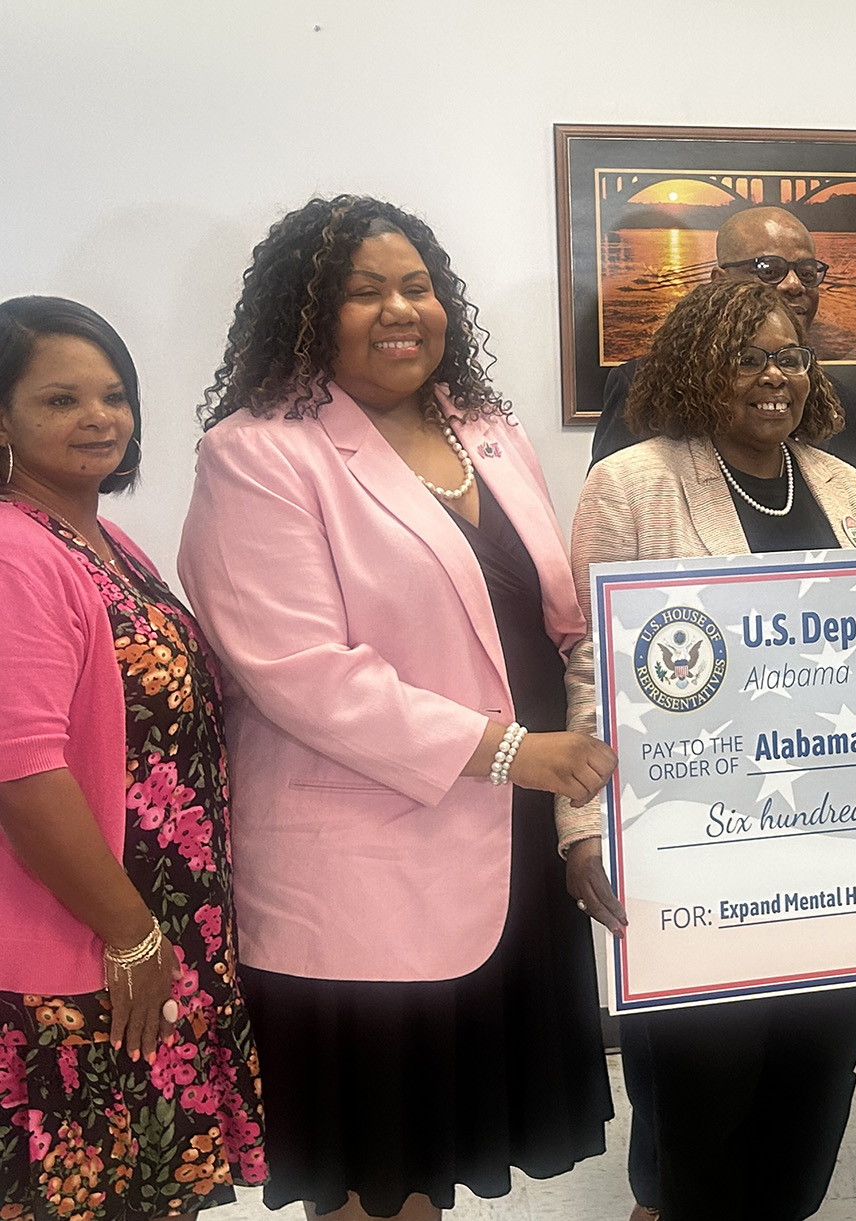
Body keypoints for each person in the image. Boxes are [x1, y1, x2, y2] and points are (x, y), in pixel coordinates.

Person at [176, 196, 617, 1221]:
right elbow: (300, 669)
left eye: (417, 285)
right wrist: (512, 752)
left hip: (504, 852)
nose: (400, 309)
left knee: (441, 1147)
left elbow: (555, 615)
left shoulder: (489, 431)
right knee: (374, 1166)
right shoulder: (257, 451)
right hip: (366, 873)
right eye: (364, 291)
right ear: (305, 313)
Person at [566, 278, 856, 1221]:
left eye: (790, 357)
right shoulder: (631, 481)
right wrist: (581, 825)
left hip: (833, 847)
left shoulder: (841, 484)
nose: (775, 376)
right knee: (705, 1097)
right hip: (696, 852)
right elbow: (593, 659)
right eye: (747, 357)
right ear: (696, 367)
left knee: (816, 1076)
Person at [0, 296, 266, 1219]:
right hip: (84, 948)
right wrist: (132, 935)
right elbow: (23, 772)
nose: (99, 418)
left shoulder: (104, 541)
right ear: (2, 419)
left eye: (114, 396)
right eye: (60, 399)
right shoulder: (15, 553)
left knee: (150, 1194)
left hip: (155, 931)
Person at [589, 204, 856, 496]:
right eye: (769, 269)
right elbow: (615, 503)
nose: (794, 285)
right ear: (719, 281)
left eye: (806, 273)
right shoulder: (650, 388)